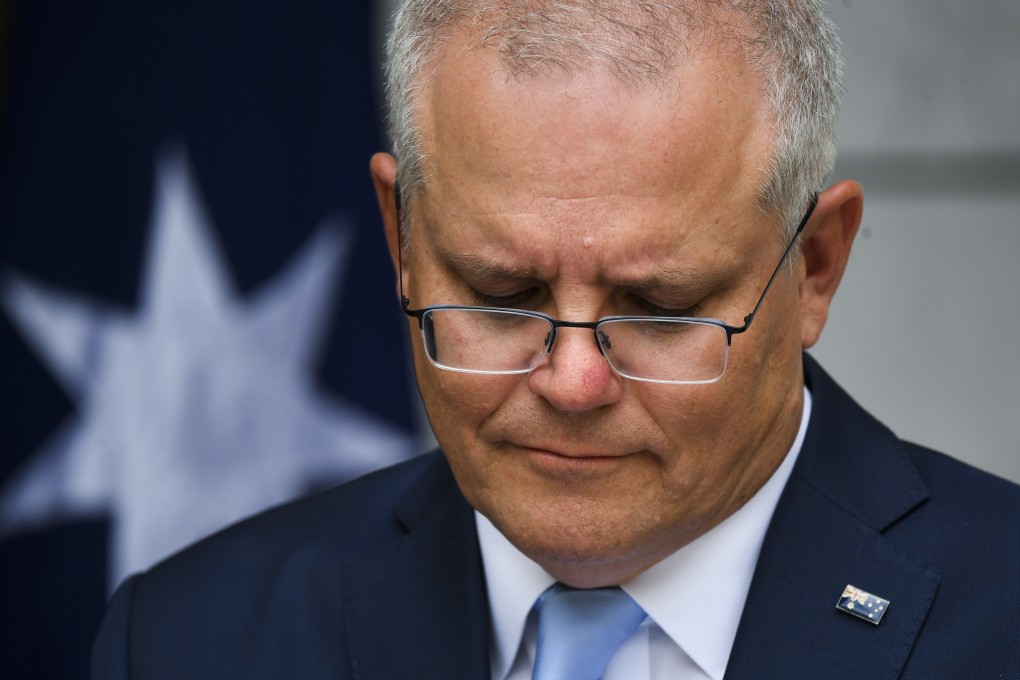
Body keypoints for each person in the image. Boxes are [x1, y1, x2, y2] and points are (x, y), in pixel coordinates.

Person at [92, 1, 1020, 678]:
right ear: (402, 240)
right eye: (503, 296)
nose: (573, 382)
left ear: (815, 266)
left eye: (660, 308)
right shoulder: (186, 643)